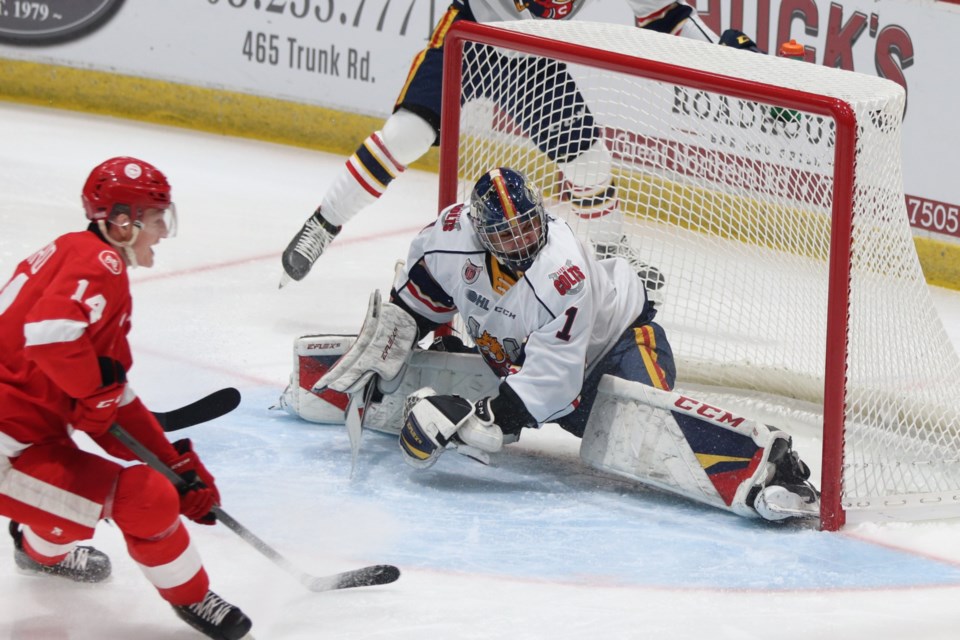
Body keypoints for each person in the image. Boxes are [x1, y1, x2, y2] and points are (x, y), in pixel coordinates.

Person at [305, 167, 820, 521]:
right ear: (479, 230)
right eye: (506, 234)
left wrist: (480, 418)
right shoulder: (447, 236)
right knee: (531, 400)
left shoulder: (562, 269)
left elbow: (552, 383)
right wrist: (396, 332)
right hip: (530, 358)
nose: (522, 241)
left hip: (620, 345)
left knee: (637, 440)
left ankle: (769, 467)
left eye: (529, 226)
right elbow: (421, 298)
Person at [280, 0, 761, 287]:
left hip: (531, 56)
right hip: (469, 37)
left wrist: (723, 51)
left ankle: (616, 256)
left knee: (588, 163)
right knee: (407, 136)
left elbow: (666, 13)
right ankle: (324, 224)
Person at [0, 157, 252, 640]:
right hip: (10, 451)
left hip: (30, 439)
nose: (162, 231)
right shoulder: (102, 262)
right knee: (146, 498)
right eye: (156, 218)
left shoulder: (73, 252)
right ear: (121, 221)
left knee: (82, 506)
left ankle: (36, 551)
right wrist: (98, 395)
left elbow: (108, 398)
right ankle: (194, 597)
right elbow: (51, 336)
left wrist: (174, 465)